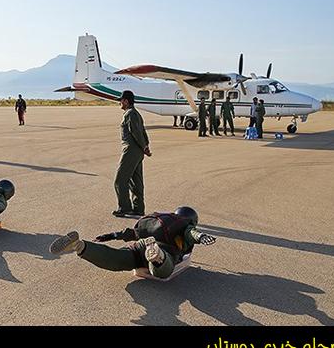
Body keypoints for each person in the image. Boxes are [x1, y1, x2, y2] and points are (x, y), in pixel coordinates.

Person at [49, 206, 216, 279]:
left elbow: (132, 233)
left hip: (140, 244)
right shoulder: (185, 225)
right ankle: (158, 258)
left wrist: (111, 235)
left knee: (114, 259)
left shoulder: (162, 220)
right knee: (164, 269)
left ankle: (80, 246)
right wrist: (202, 237)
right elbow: (192, 233)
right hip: (163, 249)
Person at [112, 90, 151, 218]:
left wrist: (144, 146)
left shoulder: (130, 114)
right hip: (138, 150)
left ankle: (124, 208)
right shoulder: (136, 114)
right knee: (136, 181)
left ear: (126, 101)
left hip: (131, 150)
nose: (120, 103)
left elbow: (137, 133)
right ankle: (138, 208)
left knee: (120, 180)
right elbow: (143, 131)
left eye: (121, 100)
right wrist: (145, 147)